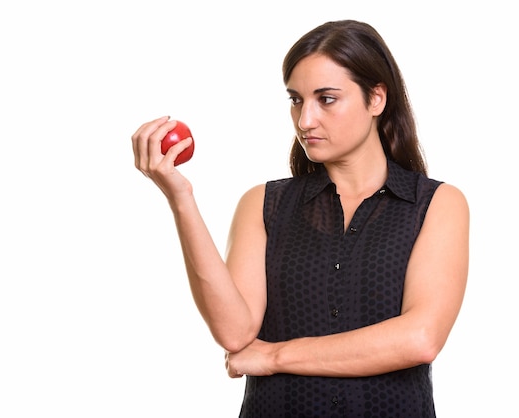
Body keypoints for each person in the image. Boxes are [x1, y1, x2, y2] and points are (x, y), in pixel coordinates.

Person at [131, 19, 469, 418]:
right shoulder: (263, 205)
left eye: (326, 99)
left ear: (376, 98)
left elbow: (420, 338)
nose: (305, 120)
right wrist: (181, 198)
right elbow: (236, 333)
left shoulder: (434, 204)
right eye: (296, 99)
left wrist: (275, 356)